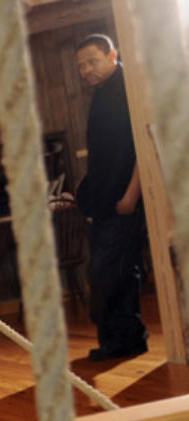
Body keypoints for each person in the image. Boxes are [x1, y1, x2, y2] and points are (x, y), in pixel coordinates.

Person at [73, 33, 148, 361]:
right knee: (118, 272)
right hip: (106, 202)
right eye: (80, 66)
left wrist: (131, 196)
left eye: (92, 61)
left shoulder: (128, 88)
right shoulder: (104, 93)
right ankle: (128, 339)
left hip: (123, 202)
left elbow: (143, 145)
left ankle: (121, 339)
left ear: (113, 54)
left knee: (108, 276)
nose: (86, 70)